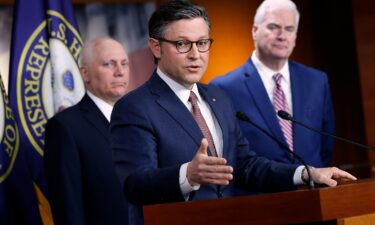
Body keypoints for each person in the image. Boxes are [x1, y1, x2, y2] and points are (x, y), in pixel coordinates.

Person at [110, 1, 355, 224]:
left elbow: (246, 166)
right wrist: (188, 175)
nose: (195, 54)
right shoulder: (134, 107)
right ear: (156, 47)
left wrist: (306, 173)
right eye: (182, 44)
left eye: (202, 43)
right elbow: (135, 184)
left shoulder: (218, 98)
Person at [210, 0, 335, 167]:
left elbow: (326, 144)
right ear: (255, 30)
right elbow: (230, 154)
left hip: (313, 189)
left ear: (295, 36)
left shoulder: (317, 81)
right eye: (273, 27)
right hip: (260, 191)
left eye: (289, 29)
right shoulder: (223, 88)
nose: (282, 36)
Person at [44, 38, 130, 225]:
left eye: (124, 64)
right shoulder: (64, 127)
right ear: (86, 73)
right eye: (109, 64)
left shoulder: (140, 119)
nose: (120, 72)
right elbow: (68, 207)